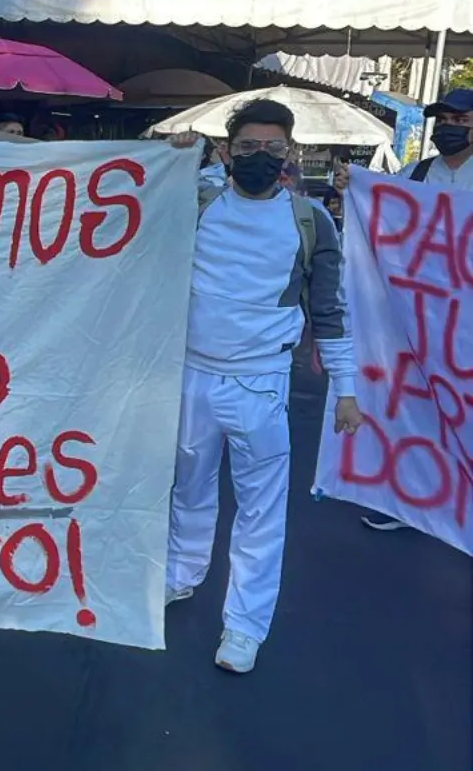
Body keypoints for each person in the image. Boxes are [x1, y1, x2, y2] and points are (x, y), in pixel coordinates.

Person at [167, 99, 365, 674]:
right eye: (249, 147)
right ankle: (181, 576)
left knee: (260, 508)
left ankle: (246, 626)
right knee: (189, 487)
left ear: (289, 154)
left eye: (273, 149)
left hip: (261, 384)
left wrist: (345, 391)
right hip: (192, 373)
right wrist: (166, 161)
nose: (261, 157)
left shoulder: (311, 222)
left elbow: (329, 312)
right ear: (226, 152)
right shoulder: (194, 205)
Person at [333, 87, 472, 532]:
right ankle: (411, 497)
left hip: (465, 320)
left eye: (461, 120)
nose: (451, 128)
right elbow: (381, 215)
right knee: (421, 405)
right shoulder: (415, 175)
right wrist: (351, 186)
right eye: (444, 120)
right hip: (421, 317)